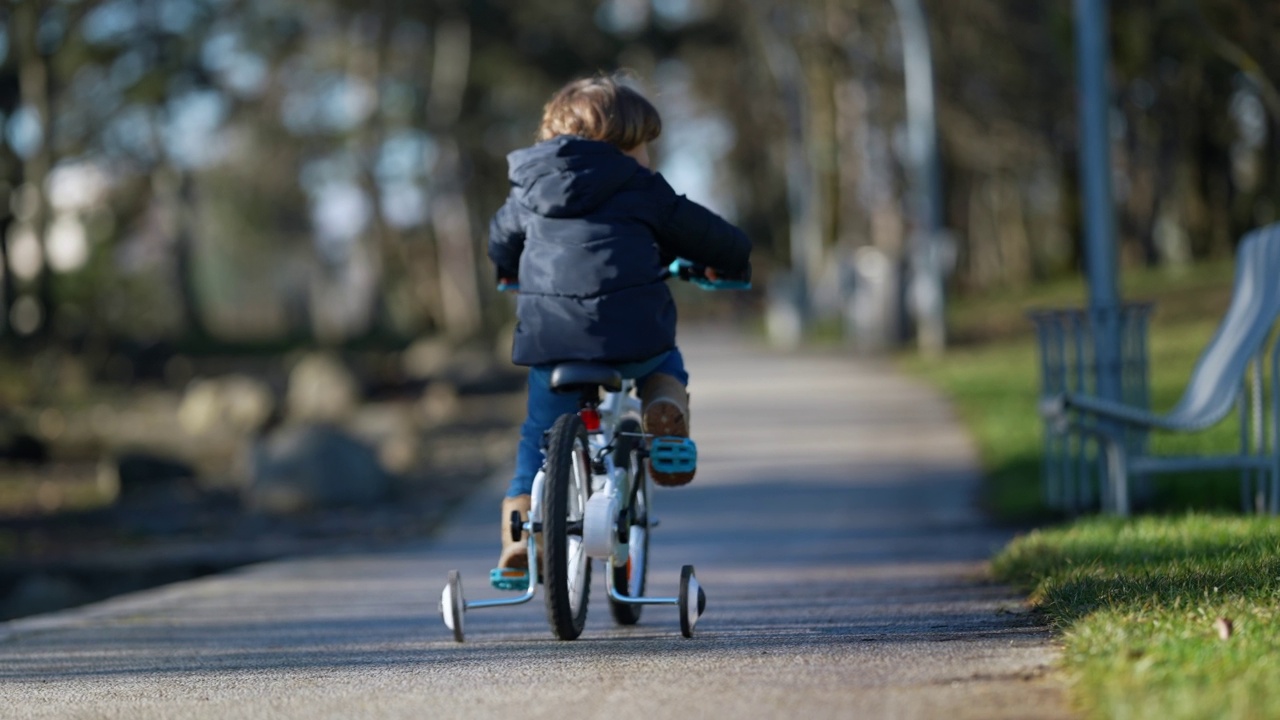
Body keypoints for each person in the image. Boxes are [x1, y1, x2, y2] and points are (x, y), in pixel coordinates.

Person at [487, 74, 751, 583]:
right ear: (625, 146)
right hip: (633, 337)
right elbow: (712, 236)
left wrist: (507, 271)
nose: (649, 156)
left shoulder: (529, 190)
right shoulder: (642, 188)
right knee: (663, 361)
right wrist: (732, 261)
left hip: (552, 341)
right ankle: (662, 404)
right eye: (645, 146)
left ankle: (518, 536)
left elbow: (501, 240)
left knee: (535, 440)